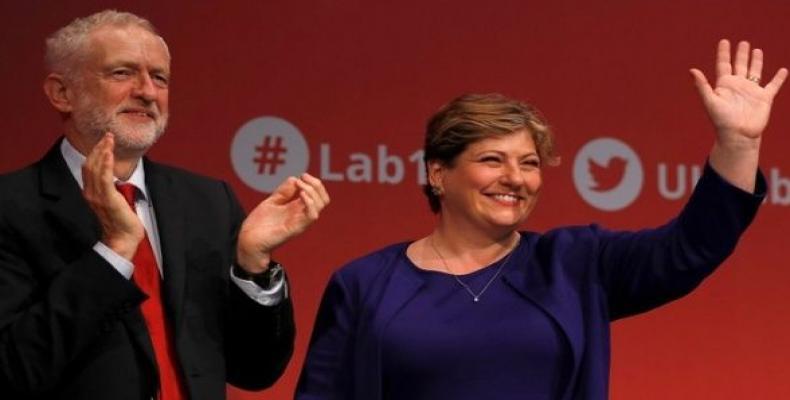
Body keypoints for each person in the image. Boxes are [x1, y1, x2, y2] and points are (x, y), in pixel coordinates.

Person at [295, 39, 786, 400]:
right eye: (492, 160)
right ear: (438, 173)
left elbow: (690, 249)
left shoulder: (575, 264)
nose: (515, 178)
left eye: (529, 163)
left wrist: (738, 145)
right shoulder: (365, 284)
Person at [0, 10, 329, 400]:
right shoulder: (12, 206)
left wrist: (252, 264)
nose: (147, 91)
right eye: (122, 73)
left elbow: (255, 370)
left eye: (159, 78)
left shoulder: (208, 203)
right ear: (62, 93)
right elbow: (11, 370)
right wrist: (115, 251)